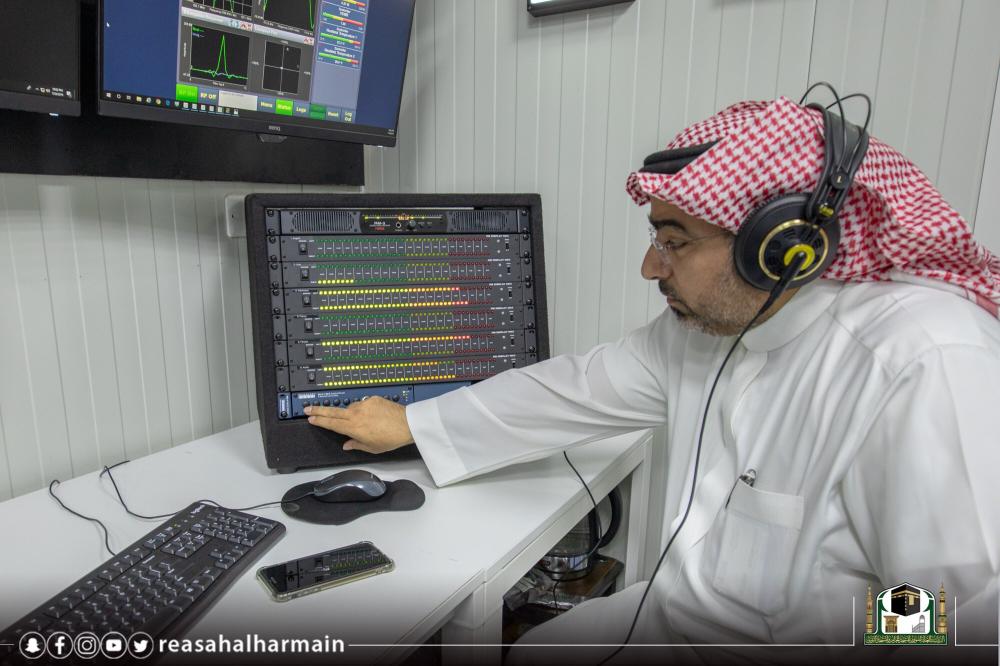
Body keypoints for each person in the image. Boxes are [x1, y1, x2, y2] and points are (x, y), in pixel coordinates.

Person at [302, 96, 1000, 664]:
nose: (650, 267)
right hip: (674, 621)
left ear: (779, 246)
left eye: (674, 241)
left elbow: (960, 614)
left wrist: (833, 632)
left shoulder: (921, 361)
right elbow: (575, 388)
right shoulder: (709, 329)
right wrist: (414, 423)